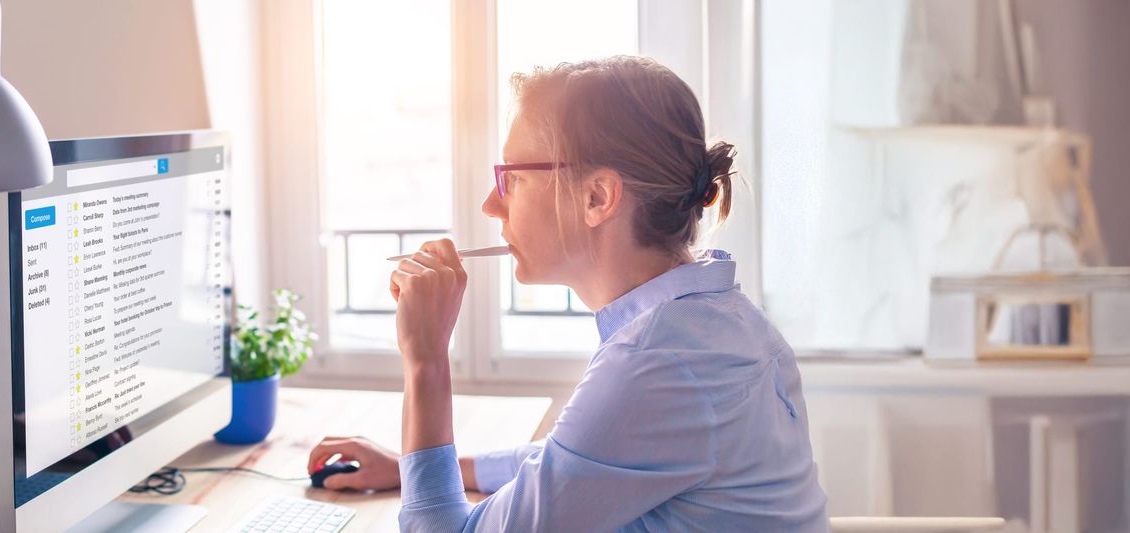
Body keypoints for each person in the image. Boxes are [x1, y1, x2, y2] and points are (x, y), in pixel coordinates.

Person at [307, 56, 828, 532]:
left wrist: (426, 360)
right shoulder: (712, 321)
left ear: (597, 197)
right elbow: (572, 460)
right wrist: (410, 468)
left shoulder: (660, 362)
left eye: (511, 178)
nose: (493, 205)